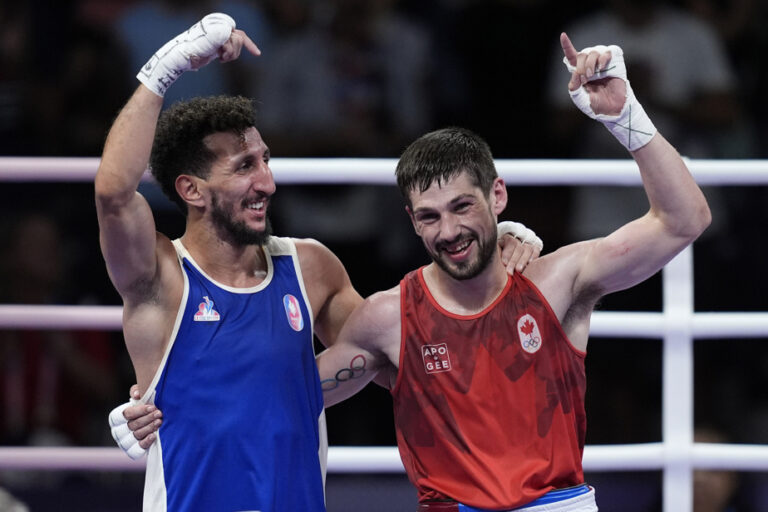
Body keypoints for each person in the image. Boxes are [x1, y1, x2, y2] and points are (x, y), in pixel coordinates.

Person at [118, 31, 712, 511]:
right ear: (411, 221)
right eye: (430, 216)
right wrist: (147, 405)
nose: (449, 230)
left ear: (498, 196)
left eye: (462, 208)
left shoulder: (558, 280)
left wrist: (625, 117)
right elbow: (271, 384)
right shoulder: (388, 322)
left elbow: (684, 220)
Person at [98, 12, 540, 512]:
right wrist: (168, 65)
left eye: (265, 160)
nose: (267, 181)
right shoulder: (161, 277)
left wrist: (487, 252)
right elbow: (114, 193)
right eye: (245, 166)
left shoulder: (309, 268)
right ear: (191, 190)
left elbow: (411, 351)